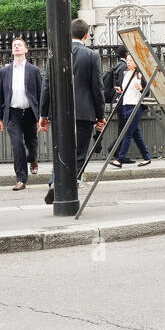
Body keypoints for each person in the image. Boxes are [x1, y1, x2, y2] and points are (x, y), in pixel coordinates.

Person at [39, 18, 105, 205]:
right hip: (84, 113)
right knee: (79, 153)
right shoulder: (92, 56)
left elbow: (46, 86)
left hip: (60, 113)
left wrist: (43, 114)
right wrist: (100, 115)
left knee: (61, 150)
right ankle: (66, 186)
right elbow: (97, 88)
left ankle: (55, 182)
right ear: (86, 35)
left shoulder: (57, 54)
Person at [0, 37, 42, 190]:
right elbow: (0, 95)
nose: (16, 47)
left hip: (29, 112)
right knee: (17, 145)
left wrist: (42, 116)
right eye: (14, 45)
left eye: (19, 45)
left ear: (26, 50)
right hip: (13, 113)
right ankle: (21, 179)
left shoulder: (33, 70)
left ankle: (33, 159)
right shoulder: (5, 71)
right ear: (11, 50)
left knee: (31, 143)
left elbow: (41, 94)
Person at [111, 53, 151, 168]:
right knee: (135, 134)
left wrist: (141, 88)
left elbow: (147, 93)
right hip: (125, 105)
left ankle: (119, 159)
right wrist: (120, 90)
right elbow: (126, 90)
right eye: (127, 60)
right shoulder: (125, 73)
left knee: (127, 132)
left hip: (136, 106)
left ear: (136, 62)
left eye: (131, 61)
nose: (128, 63)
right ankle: (146, 157)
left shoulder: (140, 75)